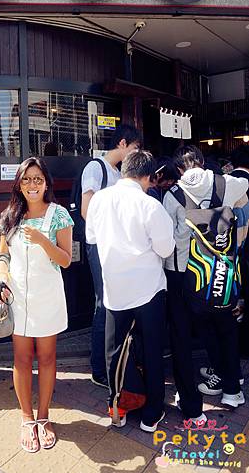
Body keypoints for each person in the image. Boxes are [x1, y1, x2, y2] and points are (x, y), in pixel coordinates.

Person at [86, 150, 175, 432]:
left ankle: (118, 407)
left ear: (123, 170)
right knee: (151, 349)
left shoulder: (100, 199)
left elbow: (92, 238)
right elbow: (166, 248)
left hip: (114, 288)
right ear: (148, 177)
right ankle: (151, 413)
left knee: (114, 351)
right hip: (148, 289)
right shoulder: (150, 205)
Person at [0, 157, 73, 453]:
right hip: (18, 297)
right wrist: (2, 278)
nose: (32, 185)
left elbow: (66, 259)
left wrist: (43, 240)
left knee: (48, 357)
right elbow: (2, 257)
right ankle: (27, 418)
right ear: (19, 183)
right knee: (22, 358)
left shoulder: (60, 215)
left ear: (46, 183)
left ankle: (44, 417)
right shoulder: (10, 216)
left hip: (48, 296)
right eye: (26, 179)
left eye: (37, 179)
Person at [163, 145, 248, 413]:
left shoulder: (174, 194)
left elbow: (170, 241)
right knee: (227, 326)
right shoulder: (232, 184)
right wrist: (234, 250)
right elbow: (243, 218)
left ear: (179, 169)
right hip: (224, 269)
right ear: (201, 161)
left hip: (187, 274)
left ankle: (209, 380)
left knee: (197, 329)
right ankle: (233, 390)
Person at [81, 124, 141, 388]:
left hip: (115, 245)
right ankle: (99, 369)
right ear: (124, 144)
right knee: (103, 303)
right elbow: (87, 210)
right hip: (101, 244)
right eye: (136, 148)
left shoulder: (118, 173)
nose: (137, 153)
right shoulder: (96, 167)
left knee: (114, 302)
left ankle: (113, 363)